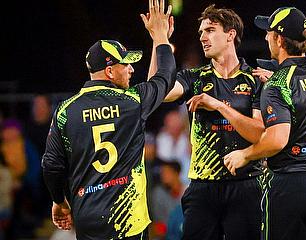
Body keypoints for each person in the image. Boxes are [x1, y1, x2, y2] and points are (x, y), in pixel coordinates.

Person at [41, 0, 176, 239]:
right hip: (128, 220)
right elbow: (165, 76)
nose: (132, 69)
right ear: (110, 71)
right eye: (126, 64)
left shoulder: (65, 111)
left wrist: (59, 201)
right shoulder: (132, 102)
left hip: (88, 218)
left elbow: (51, 165)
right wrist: (161, 37)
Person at [150, 4, 270, 240]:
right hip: (202, 187)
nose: (203, 37)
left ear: (230, 34)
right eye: (201, 32)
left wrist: (217, 105)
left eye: (210, 30)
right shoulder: (195, 78)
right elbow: (157, 92)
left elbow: (258, 134)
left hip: (246, 184)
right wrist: (158, 38)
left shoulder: (255, 79)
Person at [224, 7, 306, 240]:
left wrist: (245, 155)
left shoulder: (278, 83)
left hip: (291, 185)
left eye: (268, 33)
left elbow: (278, 139)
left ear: (279, 39)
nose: (265, 38)